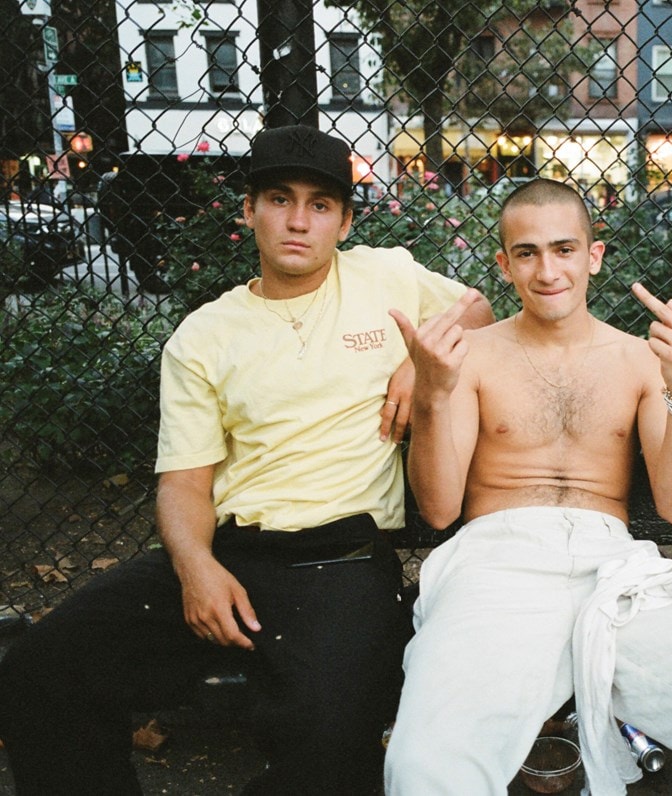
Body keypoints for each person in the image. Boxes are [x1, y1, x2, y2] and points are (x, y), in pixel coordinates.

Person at [0, 125, 494, 795]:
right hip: (230, 558)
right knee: (39, 668)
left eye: (320, 205)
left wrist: (418, 358)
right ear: (248, 210)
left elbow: (480, 309)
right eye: (279, 199)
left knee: (327, 745)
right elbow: (184, 484)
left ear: (344, 221)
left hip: (341, 563)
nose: (298, 221)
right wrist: (196, 566)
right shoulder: (204, 336)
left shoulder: (387, 277)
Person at [382, 178, 672, 795]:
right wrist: (434, 396)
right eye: (527, 252)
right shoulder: (472, 357)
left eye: (565, 249)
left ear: (594, 255)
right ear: (504, 263)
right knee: (423, 767)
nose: (548, 270)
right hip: (498, 565)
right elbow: (438, 510)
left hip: (617, 573)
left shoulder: (640, 360)